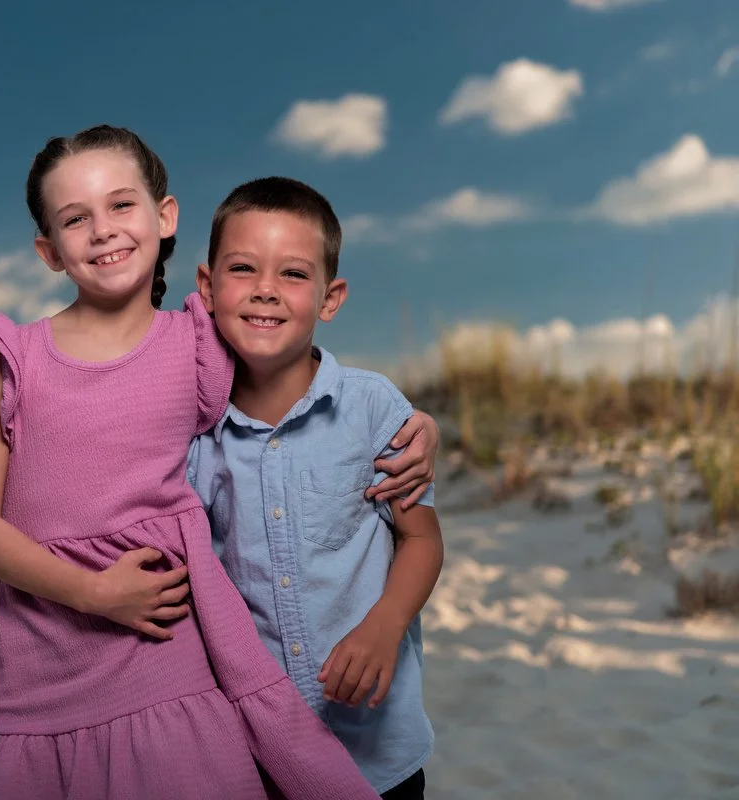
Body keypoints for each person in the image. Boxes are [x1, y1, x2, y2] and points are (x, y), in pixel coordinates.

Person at [0, 125, 437, 799]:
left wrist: (414, 425)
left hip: (177, 664)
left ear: (164, 216)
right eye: (75, 217)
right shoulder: (9, 356)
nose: (103, 230)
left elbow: (295, 375)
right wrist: (90, 592)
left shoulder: (201, 342)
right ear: (48, 249)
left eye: (121, 205)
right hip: (51, 656)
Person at [187, 177, 445, 800]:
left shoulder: (373, 407)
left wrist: (386, 622)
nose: (266, 290)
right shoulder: (194, 429)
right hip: (255, 749)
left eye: (294, 275)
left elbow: (421, 540)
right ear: (208, 286)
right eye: (243, 268)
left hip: (377, 753)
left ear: (331, 298)